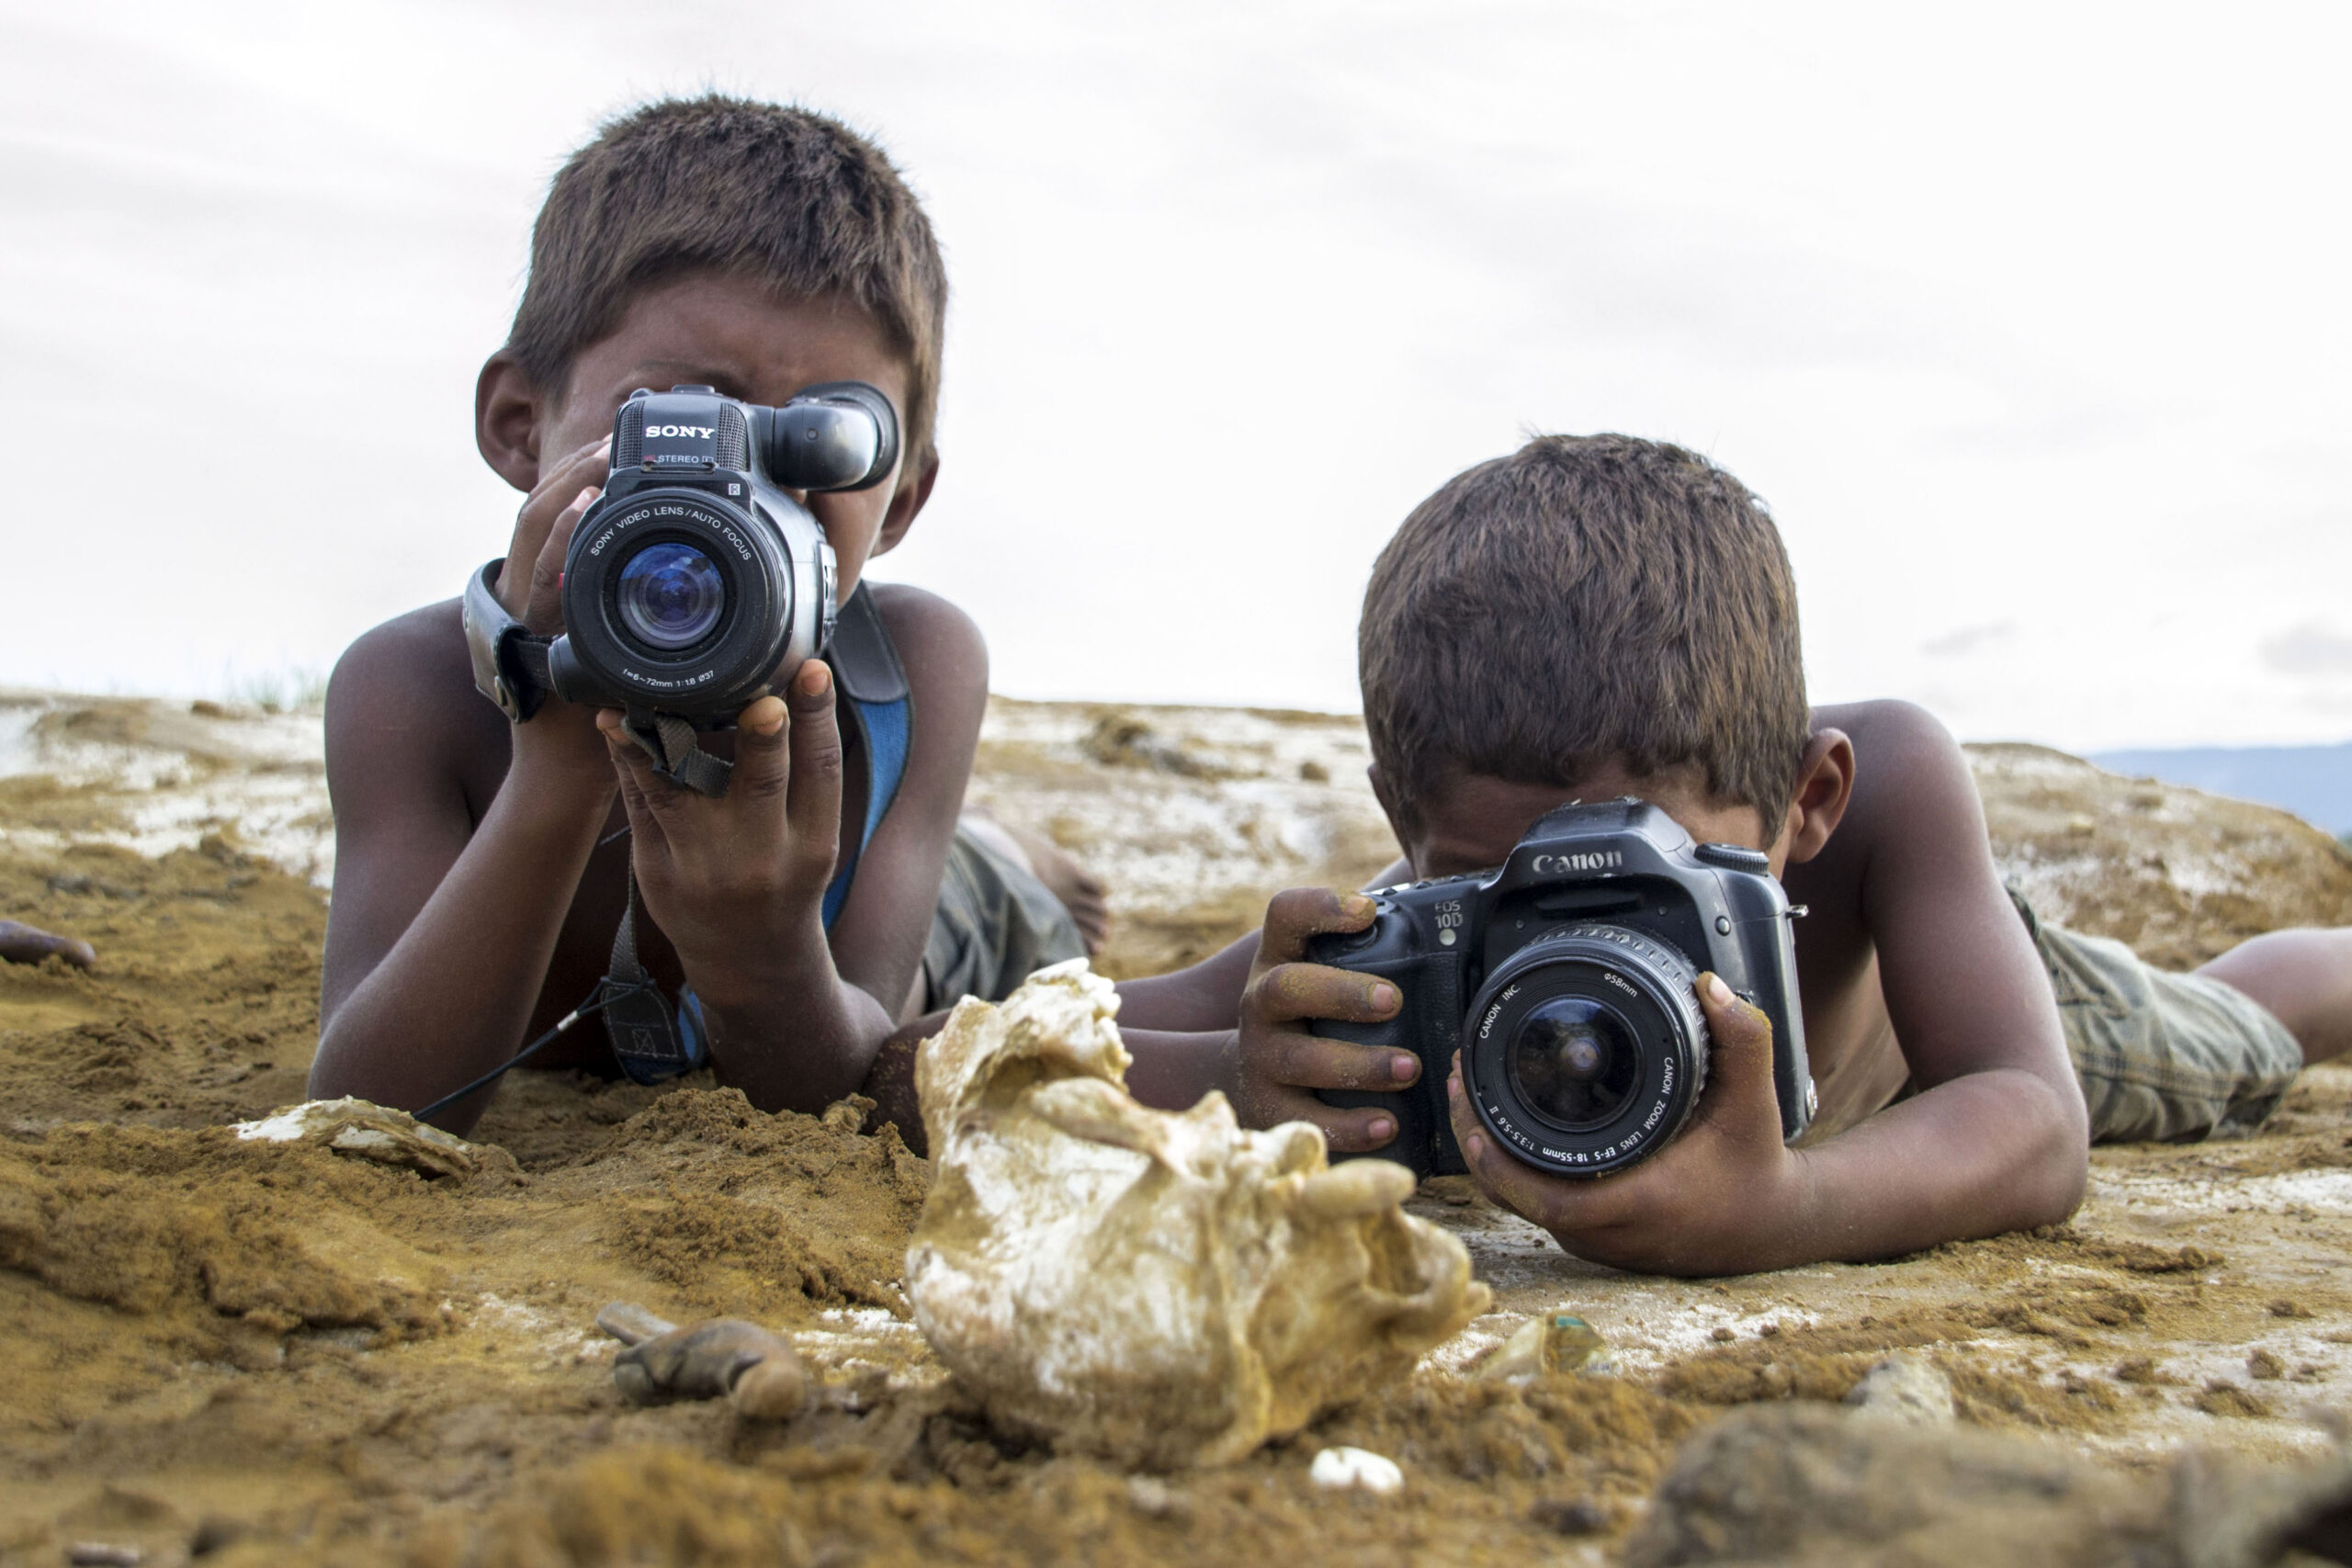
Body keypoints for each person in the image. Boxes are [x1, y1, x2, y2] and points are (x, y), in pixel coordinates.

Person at [952, 434, 2344, 1277]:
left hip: (1988, 1033)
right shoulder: (1448, 901)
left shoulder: (1891, 788)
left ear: (1807, 800)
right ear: (1410, 828)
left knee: (2240, 1016)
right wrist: (1253, 1078)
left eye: (1654, 885)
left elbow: (2037, 1125)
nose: (1571, 921)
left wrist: (1785, 1206)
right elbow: (1091, 1027)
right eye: (1507, 880)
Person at [311, 96, 1088, 1133]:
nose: (747, 500)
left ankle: (1006, 855)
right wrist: (555, 762)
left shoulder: (911, 670)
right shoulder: (412, 692)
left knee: (984, 892)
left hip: (945, 922)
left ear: (898, 499)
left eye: (826, 444)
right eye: (684, 422)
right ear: (518, 426)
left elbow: (842, 1076)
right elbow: (362, 1111)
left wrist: (763, 957)